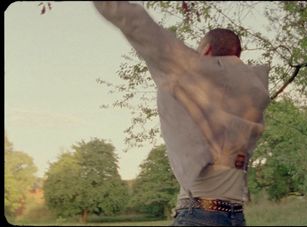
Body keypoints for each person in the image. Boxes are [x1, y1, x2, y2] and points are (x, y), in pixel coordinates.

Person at [94, 2, 270, 226]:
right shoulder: (254, 90)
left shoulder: (194, 78)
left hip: (198, 215)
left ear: (205, 51)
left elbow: (140, 26)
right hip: (234, 216)